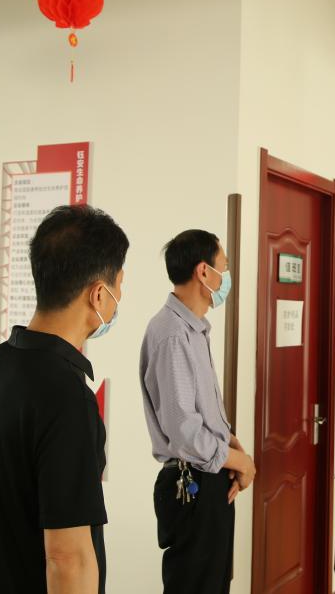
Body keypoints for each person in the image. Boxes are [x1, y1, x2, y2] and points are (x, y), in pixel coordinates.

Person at [0, 205, 128, 594]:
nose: (120, 298)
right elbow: (68, 558)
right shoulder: (66, 396)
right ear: (99, 295)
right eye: (119, 286)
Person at [139, 229, 256, 594]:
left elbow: (200, 412)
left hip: (208, 478)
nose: (227, 276)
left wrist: (230, 442)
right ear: (204, 271)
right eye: (224, 266)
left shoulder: (193, 329)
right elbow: (185, 432)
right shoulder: (173, 334)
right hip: (192, 485)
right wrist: (241, 462)